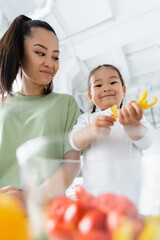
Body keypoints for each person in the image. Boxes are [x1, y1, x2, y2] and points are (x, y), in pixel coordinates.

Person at [0, 15, 81, 207]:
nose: (50, 63)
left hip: (47, 207)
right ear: (20, 54)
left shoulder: (66, 103)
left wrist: (30, 198)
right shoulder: (3, 104)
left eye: (55, 56)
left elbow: (72, 164)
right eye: (40, 53)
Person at [69, 64, 153, 206]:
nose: (106, 88)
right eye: (98, 85)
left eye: (113, 82)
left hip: (131, 194)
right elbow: (74, 141)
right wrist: (91, 130)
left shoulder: (132, 115)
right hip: (95, 196)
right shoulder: (88, 119)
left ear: (124, 90)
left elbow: (148, 142)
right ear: (90, 96)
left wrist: (133, 125)